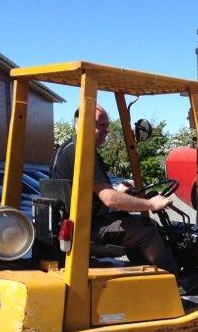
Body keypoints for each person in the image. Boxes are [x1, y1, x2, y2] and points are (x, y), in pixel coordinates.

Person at [49, 104, 179, 275]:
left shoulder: (66, 149)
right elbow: (109, 198)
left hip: (75, 221)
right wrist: (151, 204)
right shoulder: (83, 152)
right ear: (81, 124)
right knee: (148, 230)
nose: (106, 130)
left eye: (107, 125)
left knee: (142, 223)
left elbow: (95, 192)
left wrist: (119, 190)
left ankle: (143, 276)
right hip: (86, 227)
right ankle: (173, 283)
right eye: (100, 125)